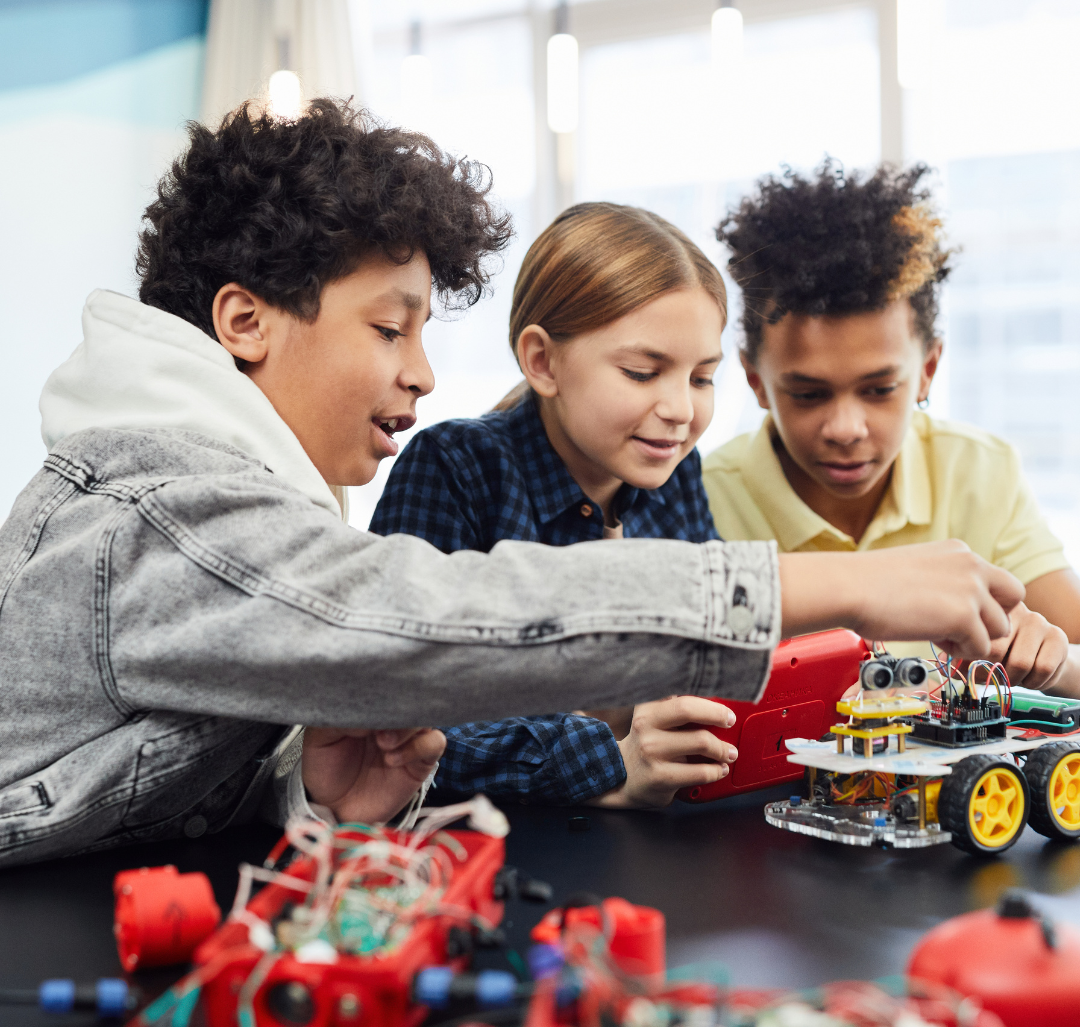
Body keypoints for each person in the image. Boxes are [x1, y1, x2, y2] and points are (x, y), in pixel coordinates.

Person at [0, 102, 1022, 868]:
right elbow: (437, 620)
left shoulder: (222, 497)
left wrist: (304, 788)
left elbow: (132, 781)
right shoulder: (164, 508)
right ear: (245, 323)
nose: (424, 374)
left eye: (700, 377)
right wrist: (834, 588)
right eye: (390, 327)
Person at [371, 203, 738, 809]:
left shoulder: (675, 470)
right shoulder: (457, 468)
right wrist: (608, 763)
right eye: (644, 373)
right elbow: (401, 728)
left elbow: (716, 654)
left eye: (701, 378)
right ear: (542, 361)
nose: (680, 409)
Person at [702, 160, 1080, 697]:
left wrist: (1056, 662)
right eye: (808, 394)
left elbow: (1072, 644)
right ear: (755, 381)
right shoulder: (696, 500)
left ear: (928, 369)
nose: (846, 428)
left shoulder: (979, 471)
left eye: (879, 389)